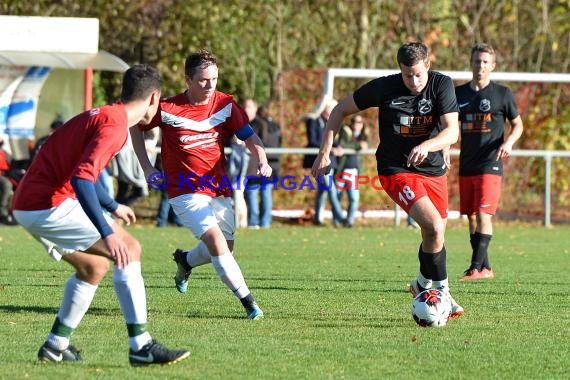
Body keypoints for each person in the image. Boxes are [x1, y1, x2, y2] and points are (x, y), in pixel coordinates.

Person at [11, 64, 190, 366]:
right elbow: (83, 179)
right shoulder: (115, 127)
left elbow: (82, 174)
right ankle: (141, 346)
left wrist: (112, 205)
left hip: (31, 203)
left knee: (93, 268)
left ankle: (56, 344)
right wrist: (107, 232)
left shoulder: (106, 114)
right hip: (47, 203)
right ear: (154, 97)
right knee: (129, 249)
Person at [311, 41, 464, 318]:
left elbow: (452, 131)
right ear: (400, 70)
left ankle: (420, 282)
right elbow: (339, 110)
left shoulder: (442, 84)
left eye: (418, 74)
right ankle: (443, 292)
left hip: (433, 169)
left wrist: (430, 146)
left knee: (435, 233)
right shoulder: (384, 87)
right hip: (396, 168)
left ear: (428, 65)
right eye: (407, 75)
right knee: (433, 225)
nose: (414, 81)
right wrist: (324, 153)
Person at [131, 49, 271, 320]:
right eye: (204, 80)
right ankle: (249, 303)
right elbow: (136, 126)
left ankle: (185, 261)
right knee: (217, 243)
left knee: (223, 248)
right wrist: (148, 168)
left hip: (218, 188)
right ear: (188, 80)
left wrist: (262, 159)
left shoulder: (226, 105)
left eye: (215, 79)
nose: (210, 86)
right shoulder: (168, 107)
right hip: (183, 190)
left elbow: (250, 137)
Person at [456, 43, 524, 281]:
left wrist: (509, 143)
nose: (480, 65)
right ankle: (485, 268)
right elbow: (449, 125)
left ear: (492, 66)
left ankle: (475, 268)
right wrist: (444, 146)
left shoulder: (502, 94)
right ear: (471, 63)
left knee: (484, 215)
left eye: (485, 62)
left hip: (491, 163)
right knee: (471, 216)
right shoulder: (459, 94)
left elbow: (518, 124)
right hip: (466, 164)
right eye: (477, 61)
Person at [303, 99, 345, 226]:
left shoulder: (332, 122)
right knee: (329, 187)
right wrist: (329, 149)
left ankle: (318, 218)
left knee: (323, 190)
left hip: (329, 161)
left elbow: (332, 139)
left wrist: (338, 147)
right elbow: (313, 140)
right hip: (319, 160)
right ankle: (340, 215)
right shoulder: (314, 121)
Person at [243, 99, 281, 229]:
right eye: (245, 107)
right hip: (263, 164)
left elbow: (261, 142)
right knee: (258, 193)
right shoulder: (272, 125)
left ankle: (259, 222)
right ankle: (261, 222)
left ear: (255, 108)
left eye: (249, 107)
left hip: (259, 165)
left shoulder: (258, 124)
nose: (246, 109)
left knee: (258, 192)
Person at [335, 115, 368, 227]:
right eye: (355, 121)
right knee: (337, 197)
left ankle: (349, 221)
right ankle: (337, 221)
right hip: (342, 170)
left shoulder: (363, 136)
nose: (357, 124)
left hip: (353, 171)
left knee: (354, 199)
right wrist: (358, 145)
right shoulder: (346, 131)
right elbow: (343, 145)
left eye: (360, 122)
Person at [0, 136, 17, 225]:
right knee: (7, 184)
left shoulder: (3, 152)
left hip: (5, 174)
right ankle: (3, 212)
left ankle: (13, 212)